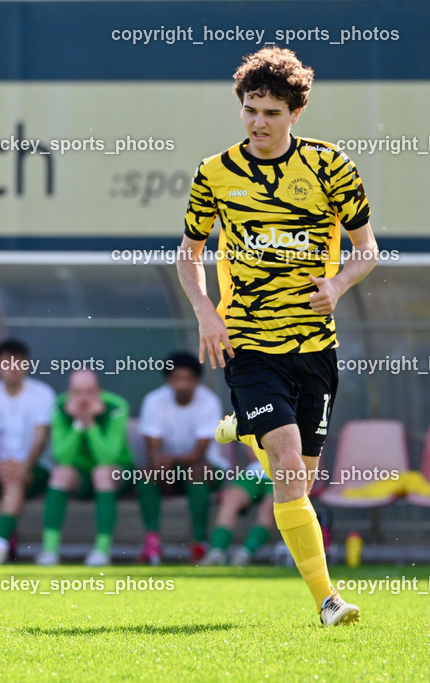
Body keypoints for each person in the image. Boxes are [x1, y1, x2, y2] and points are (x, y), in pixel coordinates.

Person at [176, 47, 376, 625]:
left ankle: (245, 428)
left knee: (298, 481)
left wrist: (337, 285)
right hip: (248, 342)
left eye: (271, 112)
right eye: (250, 109)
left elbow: (367, 250)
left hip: (315, 347)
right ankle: (328, 600)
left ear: (295, 113)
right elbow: (188, 253)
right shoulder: (215, 173)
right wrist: (205, 310)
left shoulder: (330, 166)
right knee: (287, 464)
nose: (258, 122)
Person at [34, 370, 137, 567]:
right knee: (60, 474)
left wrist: (90, 424)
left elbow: (107, 458)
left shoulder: (116, 407)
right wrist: (77, 424)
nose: (83, 398)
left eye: (90, 392)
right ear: (69, 392)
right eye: (77, 392)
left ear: (99, 391)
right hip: (81, 476)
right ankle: (50, 550)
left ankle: (102, 550)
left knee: (102, 473)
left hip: (118, 473)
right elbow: (62, 457)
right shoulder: (60, 407)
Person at [0, 339, 54, 565]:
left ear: (27, 365)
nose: (13, 369)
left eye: (19, 363)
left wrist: (24, 464)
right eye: (7, 363)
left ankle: (0, 546)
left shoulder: (43, 394)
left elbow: (41, 438)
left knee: (15, 476)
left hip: (36, 469)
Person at [137, 351, 227, 563]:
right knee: (146, 473)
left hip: (207, 470)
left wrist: (168, 461)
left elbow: (199, 454)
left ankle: (199, 543)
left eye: (188, 379)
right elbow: (152, 449)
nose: (182, 385)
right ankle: (152, 541)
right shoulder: (153, 401)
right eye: (177, 378)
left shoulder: (209, 402)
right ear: (168, 380)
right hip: (169, 470)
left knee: (197, 471)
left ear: (197, 381)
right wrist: (161, 465)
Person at [201, 456, 275, 566]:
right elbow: (252, 453)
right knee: (230, 499)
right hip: (253, 474)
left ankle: (245, 553)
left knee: (270, 507)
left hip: (284, 474)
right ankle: (216, 552)